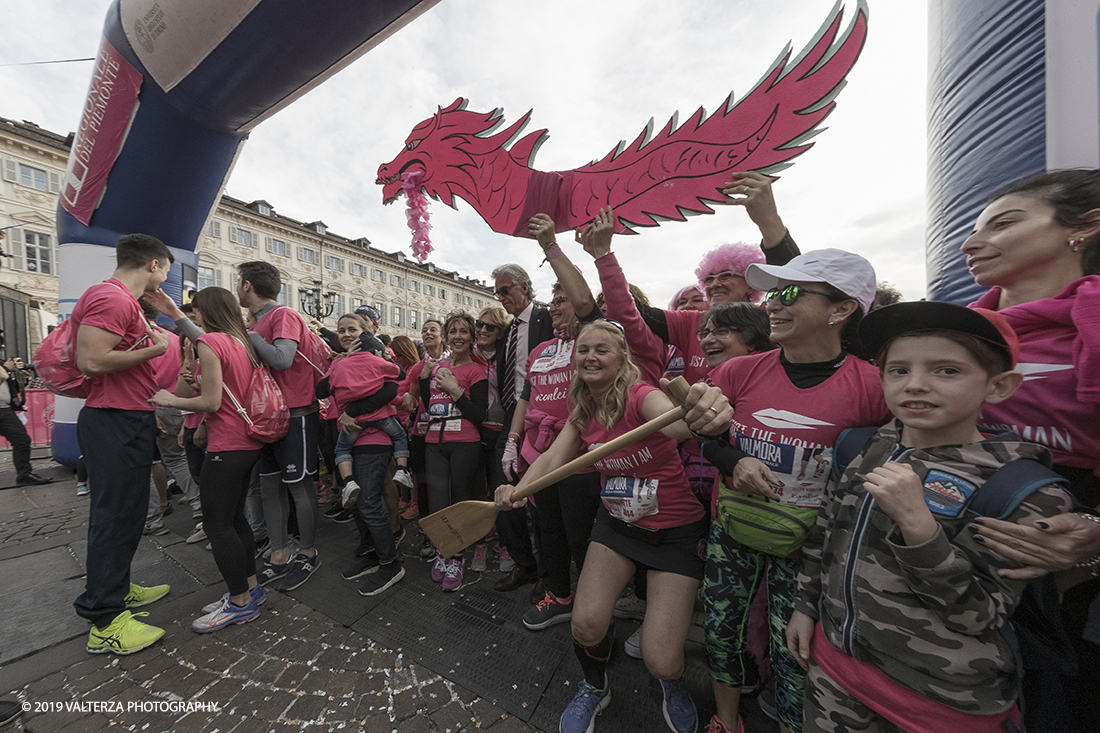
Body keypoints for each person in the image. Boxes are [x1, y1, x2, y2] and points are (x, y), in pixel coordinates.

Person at [787, 302, 1075, 732]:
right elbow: (827, 531)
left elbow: (978, 615)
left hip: (939, 702)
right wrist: (805, 606)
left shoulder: (1024, 491)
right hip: (835, 673)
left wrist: (919, 528)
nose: (915, 385)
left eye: (947, 371)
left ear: (999, 386)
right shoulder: (865, 446)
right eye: (898, 370)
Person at [496, 319, 734, 733]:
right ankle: (594, 686)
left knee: (661, 659)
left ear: (622, 358)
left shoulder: (642, 395)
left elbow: (677, 423)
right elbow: (552, 460)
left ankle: (671, 685)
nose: (590, 356)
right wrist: (515, 490)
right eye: (584, 349)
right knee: (586, 625)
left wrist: (698, 409)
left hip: (674, 532)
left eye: (602, 349)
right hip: (617, 526)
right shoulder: (582, 409)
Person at [696, 248, 891, 733]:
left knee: (793, 650)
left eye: (788, 293)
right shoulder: (740, 371)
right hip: (733, 529)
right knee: (720, 632)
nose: (772, 305)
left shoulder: (874, 388)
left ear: (841, 310)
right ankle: (725, 720)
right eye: (773, 293)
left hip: (808, 550)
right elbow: (707, 437)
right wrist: (735, 460)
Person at [959, 169, 1100, 732]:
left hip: (1072, 584)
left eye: (1004, 223)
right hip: (958, 561)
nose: (972, 241)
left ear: (1084, 229)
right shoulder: (951, 334)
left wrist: (1094, 537)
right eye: (972, 228)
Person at [73, 233, 174, 655]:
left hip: (125, 416)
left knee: (128, 513)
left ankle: (116, 587)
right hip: (113, 418)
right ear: (153, 265)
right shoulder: (112, 298)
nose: (166, 277)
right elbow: (92, 360)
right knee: (114, 516)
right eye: (165, 269)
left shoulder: (123, 301)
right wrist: (157, 349)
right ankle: (105, 619)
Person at [149, 287, 268, 632]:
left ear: (208, 311)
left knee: (217, 525)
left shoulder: (212, 343)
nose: (194, 316)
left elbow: (212, 402)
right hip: (247, 442)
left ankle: (240, 602)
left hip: (227, 444)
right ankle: (249, 588)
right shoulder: (240, 341)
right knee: (235, 519)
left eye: (196, 311)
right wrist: (176, 315)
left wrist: (169, 400)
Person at [236, 261, 322, 592]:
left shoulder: (283, 315)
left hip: (296, 412)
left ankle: (309, 552)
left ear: (247, 285)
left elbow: (283, 359)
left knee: (299, 486)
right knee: (271, 486)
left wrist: (249, 335)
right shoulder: (259, 321)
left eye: (238, 282)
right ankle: (278, 553)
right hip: (268, 416)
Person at [316, 316, 407, 597]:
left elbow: (390, 389)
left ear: (365, 333)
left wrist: (352, 410)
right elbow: (320, 390)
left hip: (374, 440)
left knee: (368, 502)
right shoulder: (340, 362)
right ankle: (372, 552)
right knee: (355, 501)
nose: (345, 334)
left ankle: (390, 564)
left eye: (352, 330)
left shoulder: (375, 356)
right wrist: (342, 364)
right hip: (350, 439)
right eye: (341, 330)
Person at [491, 263, 554, 592]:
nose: (502, 297)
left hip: (543, 414)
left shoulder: (546, 318)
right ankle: (523, 564)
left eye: (506, 290)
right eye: (497, 292)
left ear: (525, 287)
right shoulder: (509, 330)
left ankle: (548, 574)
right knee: (503, 493)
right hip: (512, 415)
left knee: (539, 497)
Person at [422, 312, 489, 591]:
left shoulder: (477, 370)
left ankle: (457, 558)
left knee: (459, 500)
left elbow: (479, 415)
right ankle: (442, 551)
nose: (458, 336)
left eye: (464, 331)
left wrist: (456, 390)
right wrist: (426, 381)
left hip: (464, 441)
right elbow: (429, 406)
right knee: (438, 502)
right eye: (453, 331)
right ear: (447, 336)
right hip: (434, 441)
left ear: (472, 337)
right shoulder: (439, 367)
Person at [470, 304, 513, 573]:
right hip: (475, 429)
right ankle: (481, 542)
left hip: (503, 428)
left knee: (502, 488)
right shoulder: (469, 355)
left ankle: (507, 542)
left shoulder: (507, 356)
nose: (482, 330)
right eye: (480, 324)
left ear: (500, 332)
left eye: (490, 326)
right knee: (478, 489)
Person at [400, 319, 448, 533]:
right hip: (423, 429)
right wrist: (409, 400)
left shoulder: (453, 362)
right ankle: (428, 526)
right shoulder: (419, 366)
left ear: (442, 336)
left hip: (449, 430)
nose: (428, 333)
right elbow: (413, 396)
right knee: (424, 478)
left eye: (433, 330)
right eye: (424, 330)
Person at [0, 356, 49, 485]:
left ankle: (24, 475)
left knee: (22, 440)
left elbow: (12, 389)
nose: (2, 345)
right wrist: (5, 369)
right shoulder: (3, 367)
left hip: (4, 409)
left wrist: (22, 379)